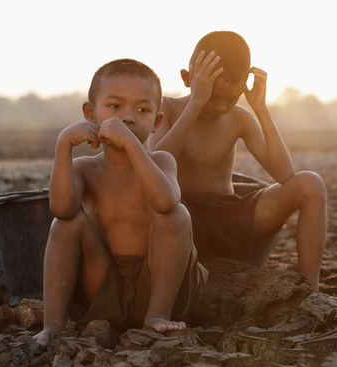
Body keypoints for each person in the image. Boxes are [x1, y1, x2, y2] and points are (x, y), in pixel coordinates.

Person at [33, 59, 207, 348]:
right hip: (102, 284)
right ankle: (52, 325)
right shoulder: (84, 169)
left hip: (157, 282)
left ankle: (157, 316)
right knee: (66, 223)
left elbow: (165, 202)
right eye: (115, 107)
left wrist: (131, 145)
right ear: (90, 113)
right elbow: (61, 209)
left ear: (156, 122)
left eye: (142, 110)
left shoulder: (162, 161)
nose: (128, 118)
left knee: (177, 215)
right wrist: (63, 145)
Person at [149, 31, 337, 297]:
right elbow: (156, 165)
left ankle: (311, 293)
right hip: (183, 218)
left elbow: (285, 175)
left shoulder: (240, 118)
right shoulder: (166, 110)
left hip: (230, 218)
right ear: (188, 79)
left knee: (311, 184)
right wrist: (197, 102)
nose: (221, 107)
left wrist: (259, 108)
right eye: (214, 97)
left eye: (232, 97)